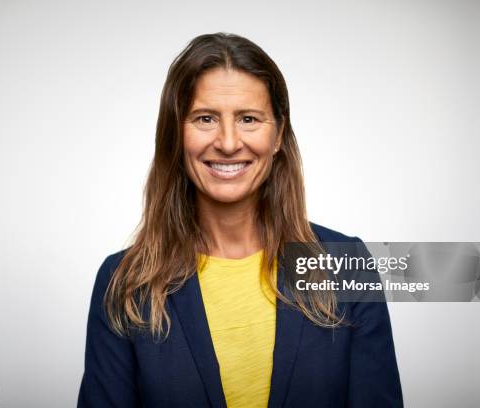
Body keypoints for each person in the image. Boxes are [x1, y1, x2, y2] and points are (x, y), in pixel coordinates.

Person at [77, 32, 403, 408]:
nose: (229, 142)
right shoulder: (124, 284)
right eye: (205, 118)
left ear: (278, 133)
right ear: (175, 135)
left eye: (249, 119)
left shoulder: (348, 266)